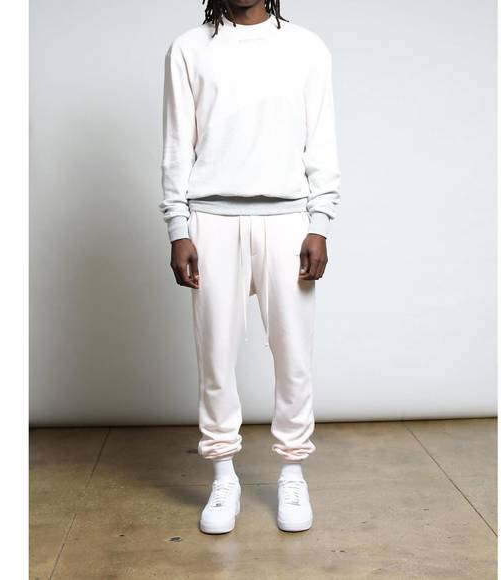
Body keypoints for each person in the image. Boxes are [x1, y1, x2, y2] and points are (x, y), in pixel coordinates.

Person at [160, 0, 340, 534]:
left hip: (287, 218)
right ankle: (223, 478)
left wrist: (319, 222)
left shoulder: (306, 47)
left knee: (294, 353)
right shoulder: (190, 49)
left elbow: (321, 141)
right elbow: (177, 145)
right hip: (211, 218)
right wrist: (178, 227)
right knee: (215, 354)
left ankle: (292, 474)